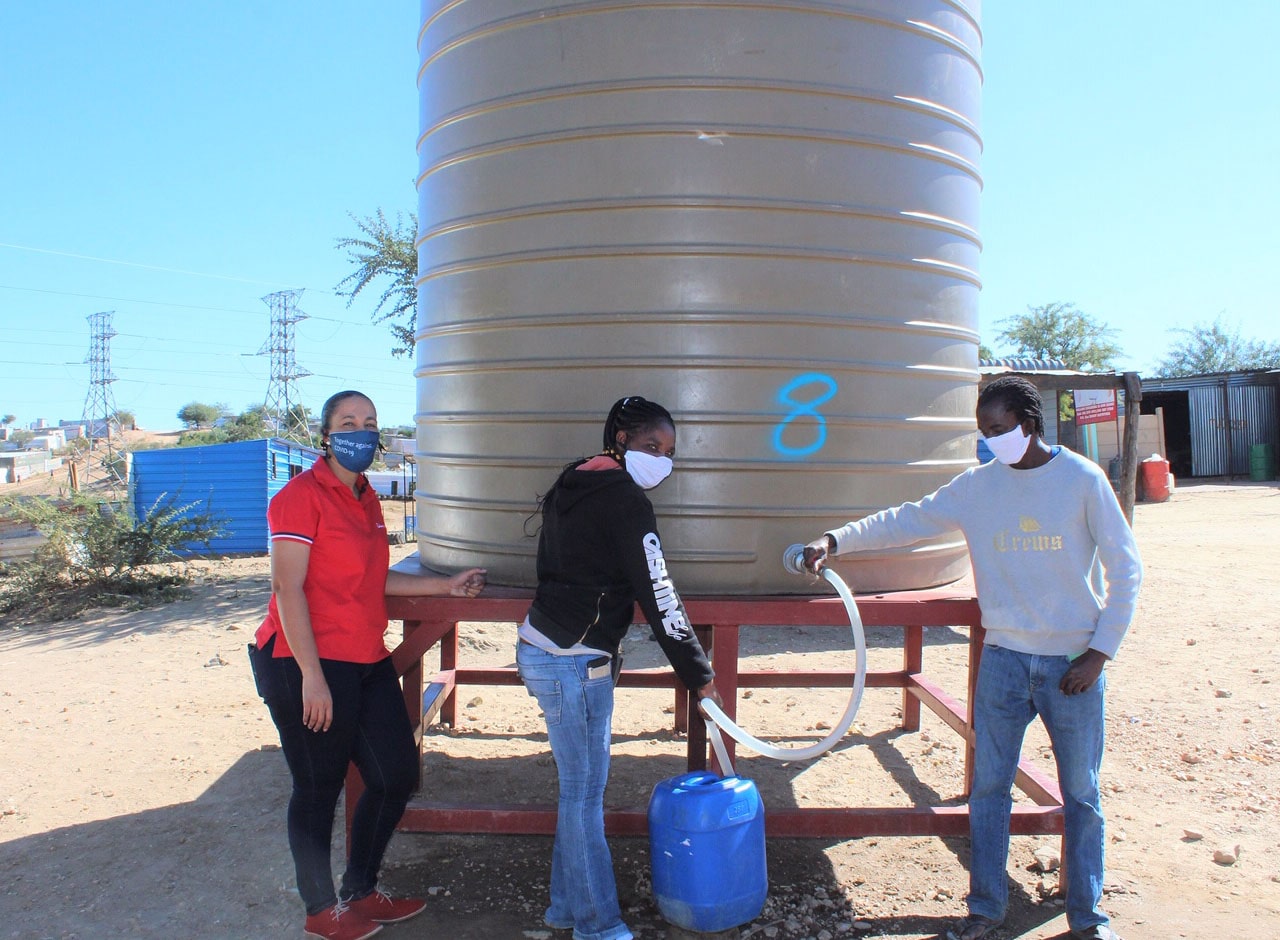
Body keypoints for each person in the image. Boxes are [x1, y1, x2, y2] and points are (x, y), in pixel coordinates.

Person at [801, 375, 1142, 940]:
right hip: (1005, 661)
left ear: (1029, 425)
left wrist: (1100, 653)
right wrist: (835, 540)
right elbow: (906, 518)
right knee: (989, 791)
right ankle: (986, 908)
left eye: (999, 429)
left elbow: (1125, 570)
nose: (990, 441)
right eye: (983, 432)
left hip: (1072, 666)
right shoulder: (978, 488)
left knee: (1081, 793)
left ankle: (1087, 916)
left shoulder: (1081, 480)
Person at [248, 389, 486, 940]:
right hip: (302, 660)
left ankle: (360, 889)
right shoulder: (300, 497)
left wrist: (444, 585)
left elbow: (376, 578)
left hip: (365, 656)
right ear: (325, 435)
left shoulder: (365, 498)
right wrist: (311, 677)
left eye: (371, 422)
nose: (362, 431)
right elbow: (287, 588)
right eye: (349, 422)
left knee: (394, 774)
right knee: (318, 787)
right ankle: (319, 910)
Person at [517, 395, 724, 940]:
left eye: (670, 452)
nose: (662, 459)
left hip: (547, 647)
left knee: (577, 791)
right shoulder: (627, 501)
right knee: (584, 795)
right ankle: (596, 923)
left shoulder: (573, 481)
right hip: (574, 662)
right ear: (622, 440)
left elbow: (555, 570)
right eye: (653, 446)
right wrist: (699, 676)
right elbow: (658, 592)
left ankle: (567, 907)